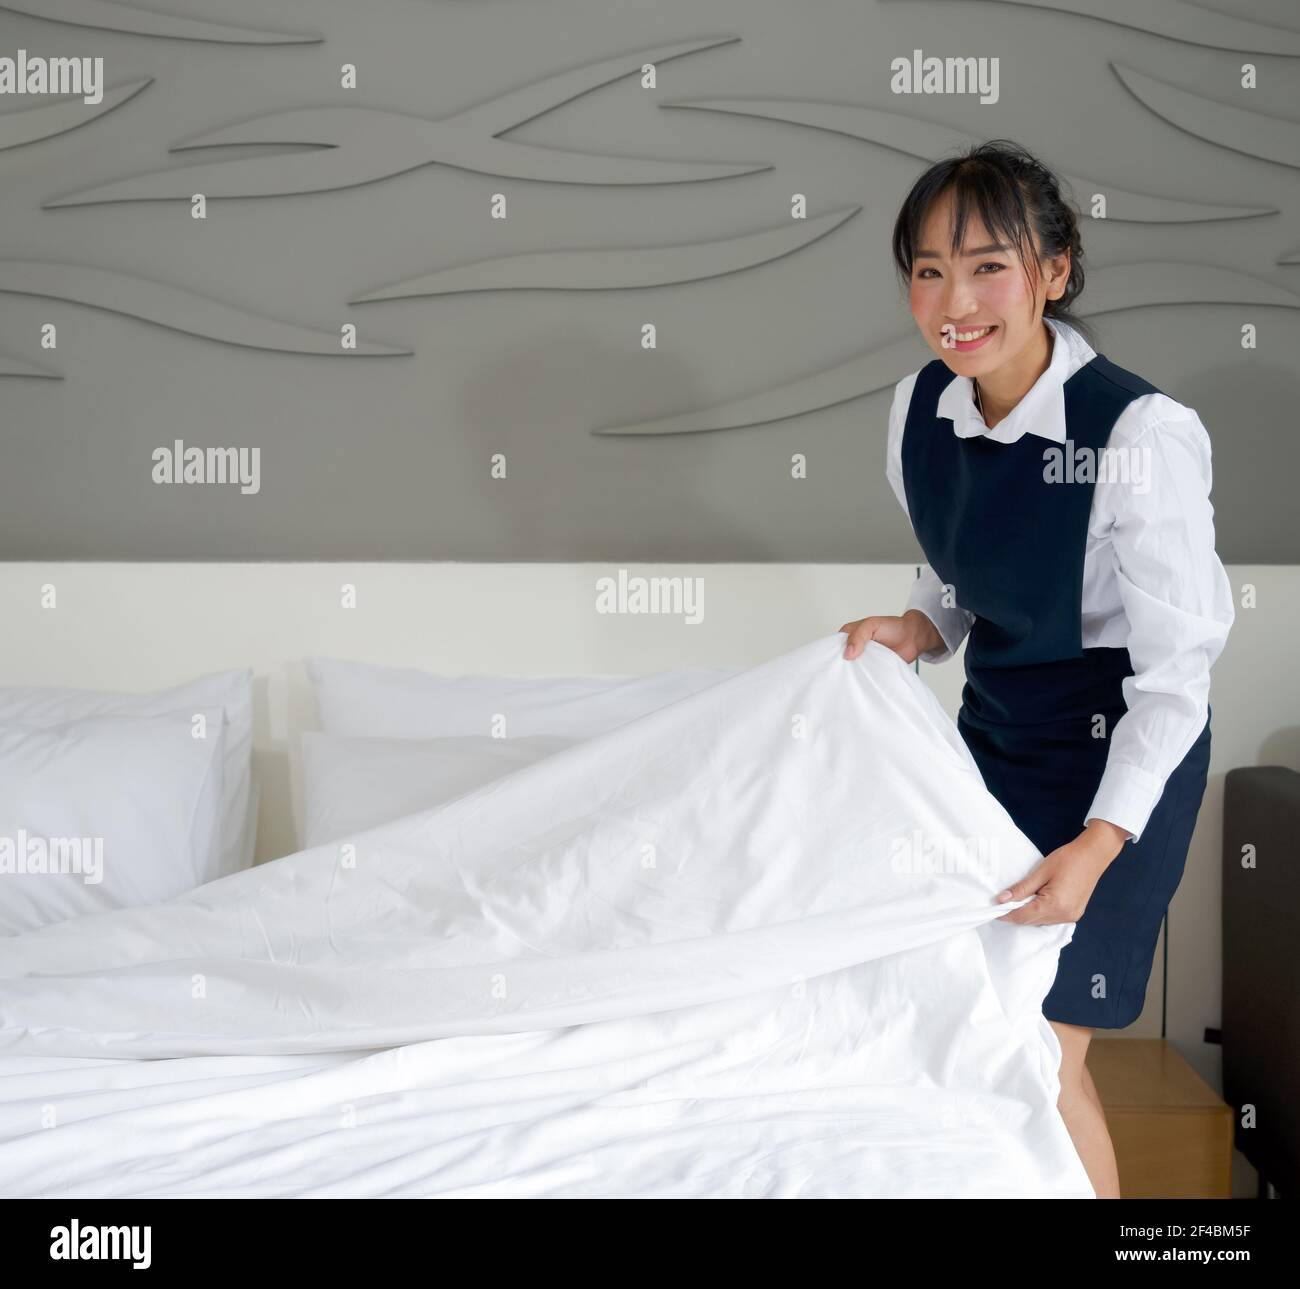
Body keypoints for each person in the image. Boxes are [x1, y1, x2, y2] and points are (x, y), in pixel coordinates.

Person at [839, 139, 1234, 1198]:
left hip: (1123, 764)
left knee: (1039, 1049)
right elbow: (952, 569)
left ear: (1054, 271)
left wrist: (1099, 845)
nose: (951, 299)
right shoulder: (919, 407)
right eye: (926, 269)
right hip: (996, 736)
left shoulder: (1139, 432)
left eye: (985, 266)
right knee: (976, 1029)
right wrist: (920, 626)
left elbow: (1175, 679)